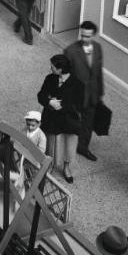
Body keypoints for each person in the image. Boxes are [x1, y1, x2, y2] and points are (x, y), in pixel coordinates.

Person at [37, 54, 84, 184]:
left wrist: (61, 107)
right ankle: (49, 165)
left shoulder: (78, 84)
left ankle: (66, 168)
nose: (50, 69)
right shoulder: (50, 78)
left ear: (60, 69)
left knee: (68, 146)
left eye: (52, 67)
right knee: (49, 145)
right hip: (51, 120)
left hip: (68, 122)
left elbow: (80, 105)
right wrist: (49, 102)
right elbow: (41, 95)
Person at [64, 20, 104, 162]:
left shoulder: (98, 48)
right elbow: (64, 75)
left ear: (93, 36)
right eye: (82, 35)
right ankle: (68, 147)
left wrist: (100, 93)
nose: (84, 39)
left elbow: (98, 72)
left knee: (88, 123)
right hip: (76, 93)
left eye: (87, 36)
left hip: (92, 93)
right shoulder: (70, 51)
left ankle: (83, 147)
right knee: (72, 121)